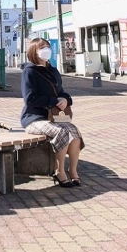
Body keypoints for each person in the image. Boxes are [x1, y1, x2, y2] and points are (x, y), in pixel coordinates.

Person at [20, 38, 84, 188]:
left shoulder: (53, 71)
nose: (46, 50)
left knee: (74, 132)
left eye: (47, 47)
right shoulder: (29, 71)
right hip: (34, 118)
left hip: (53, 117)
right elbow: (30, 99)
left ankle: (73, 170)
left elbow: (60, 92)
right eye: (42, 48)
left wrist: (66, 100)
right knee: (62, 132)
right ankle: (59, 171)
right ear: (33, 51)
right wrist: (53, 101)